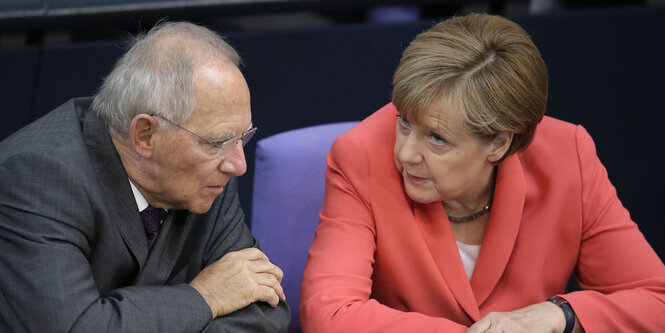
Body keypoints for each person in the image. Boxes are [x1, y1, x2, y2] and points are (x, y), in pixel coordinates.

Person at [300, 13, 665, 332]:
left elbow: (656, 301)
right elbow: (329, 315)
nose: (406, 153)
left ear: (499, 144)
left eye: (437, 139)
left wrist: (560, 315)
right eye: (405, 123)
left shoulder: (568, 156)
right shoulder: (360, 155)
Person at [0, 22, 290, 332]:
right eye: (217, 142)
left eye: (241, 138)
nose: (238, 164)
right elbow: (74, 328)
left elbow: (265, 310)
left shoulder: (214, 175)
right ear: (145, 135)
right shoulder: (38, 176)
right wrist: (205, 298)